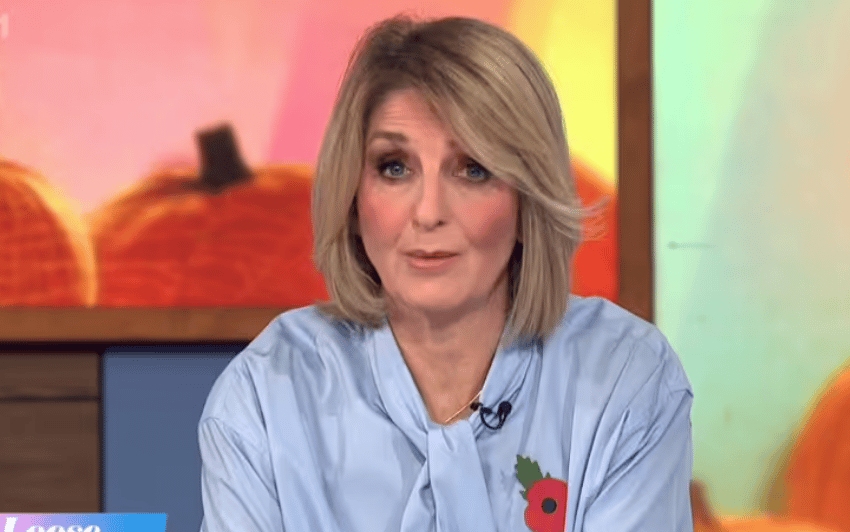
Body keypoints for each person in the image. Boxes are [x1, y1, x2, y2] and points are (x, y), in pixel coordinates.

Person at [198, 15, 694, 532]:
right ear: (354, 199)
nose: (429, 212)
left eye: (473, 169)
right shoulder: (265, 395)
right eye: (394, 167)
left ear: (528, 201)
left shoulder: (624, 379)